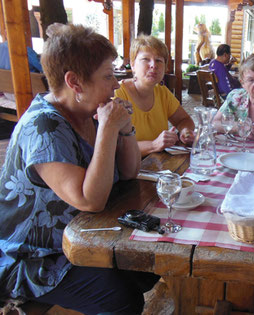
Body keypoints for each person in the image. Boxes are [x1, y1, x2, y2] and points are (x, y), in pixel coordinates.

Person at [0, 24, 160, 314]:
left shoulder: (89, 111)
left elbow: (129, 172)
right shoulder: (44, 128)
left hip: (81, 237)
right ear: (74, 82)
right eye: (108, 76)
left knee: (148, 269)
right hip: (34, 257)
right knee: (122, 299)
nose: (116, 84)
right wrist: (108, 129)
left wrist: (125, 129)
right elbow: (91, 200)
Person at [115, 35, 195, 157]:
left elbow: (183, 120)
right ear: (132, 65)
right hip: (127, 171)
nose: (153, 65)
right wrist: (153, 145)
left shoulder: (162, 92)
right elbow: (114, 147)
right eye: (146, 59)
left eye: (159, 60)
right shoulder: (118, 94)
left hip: (157, 165)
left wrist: (185, 132)